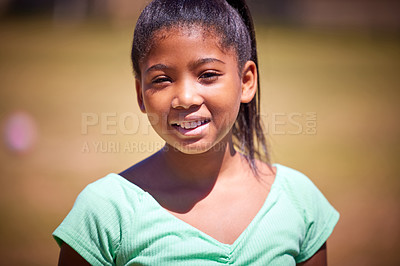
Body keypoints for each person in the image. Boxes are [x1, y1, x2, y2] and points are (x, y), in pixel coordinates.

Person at [53, 0, 339, 265]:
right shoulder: (106, 211)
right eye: (162, 79)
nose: (186, 98)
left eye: (208, 75)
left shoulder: (297, 200)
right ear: (141, 94)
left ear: (247, 82)